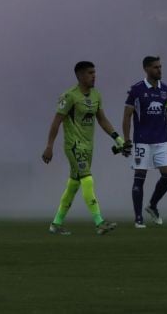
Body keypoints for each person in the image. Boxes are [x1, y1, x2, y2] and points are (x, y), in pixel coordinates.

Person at [42, 61, 129, 235]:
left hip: (89, 147)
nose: (94, 76)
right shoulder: (69, 96)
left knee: (73, 184)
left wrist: (118, 139)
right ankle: (99, 223)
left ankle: (56, 223)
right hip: (74, 146)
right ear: (80, 76)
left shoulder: (96, 95)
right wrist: (49, 146)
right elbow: (56, 122)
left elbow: (102, 120)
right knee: (87, 179)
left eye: (94, 72)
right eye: (90, 73)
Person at [123, 55, 167, 228]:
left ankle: (152, 205)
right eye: (156, 67)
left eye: (160, 67)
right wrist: (127, 139)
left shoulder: (166, 90)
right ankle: (138, 217)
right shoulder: (136, 90)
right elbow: (127, 116)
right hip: (141, 142)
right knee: (139, 178)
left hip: (162, 141)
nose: (160, 70)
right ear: (147, 69)